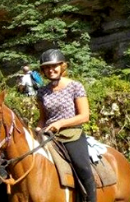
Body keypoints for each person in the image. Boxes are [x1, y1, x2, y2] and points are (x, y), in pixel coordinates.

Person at [36, 49, 96, 202]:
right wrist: (38, 129)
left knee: (83, 168)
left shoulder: (75, 86)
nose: (51, 70)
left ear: (62, 66)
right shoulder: (42, 92)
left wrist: (61, 123)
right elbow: (43, 118)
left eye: (54, 66)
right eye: (47, 68)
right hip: (49, 136)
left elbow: (84, 116)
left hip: (71, 134)